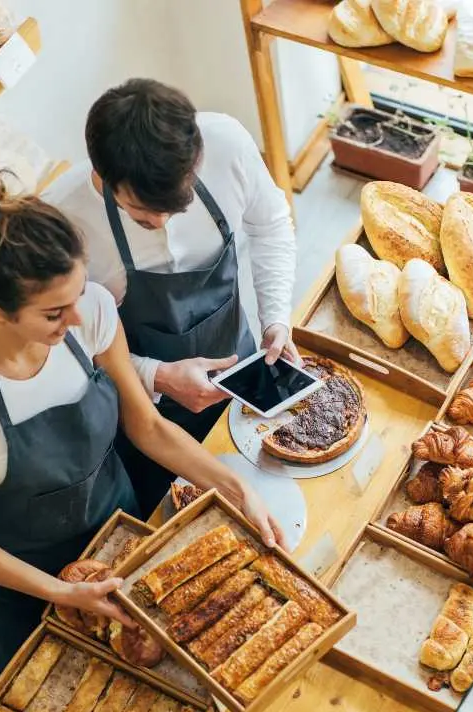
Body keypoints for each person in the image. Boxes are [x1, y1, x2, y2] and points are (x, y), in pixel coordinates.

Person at [0, 164, 284, 689]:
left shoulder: (93, 312)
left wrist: (235, 487)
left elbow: (147, 428)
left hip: (117, 544)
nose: (78, 320)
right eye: (54, 313)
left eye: (79, 295)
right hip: (21, 590)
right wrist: (61, 593)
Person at [42, 78, 298, 515]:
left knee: (268, 494)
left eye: (174, 208)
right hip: (145, 417)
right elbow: (66, 351)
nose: (162, 223)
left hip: (241, 376)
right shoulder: (62, 224)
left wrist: (275, 317)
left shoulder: (227, 144)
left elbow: (270, 224)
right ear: (103, 175)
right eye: (143, 213)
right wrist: (156, 375)